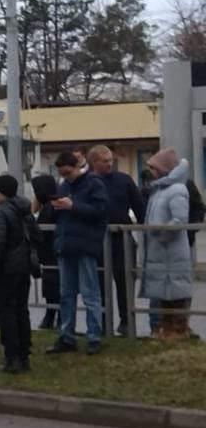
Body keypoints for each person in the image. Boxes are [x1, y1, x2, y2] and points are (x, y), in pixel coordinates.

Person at [50, 151, 109, 355]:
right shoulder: (64, 185)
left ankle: (94, 336)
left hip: (85, 246)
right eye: (62, 173)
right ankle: (67, 336)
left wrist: (73, 206)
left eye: (67, 172)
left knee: (90, 293)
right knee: (66, 294)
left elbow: (100, 212)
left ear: (76, 167)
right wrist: (56, 207)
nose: (65, 176)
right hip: (66, 244)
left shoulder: (93, 183)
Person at [0, 175, 36, 374]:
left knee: (6, 312)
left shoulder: (2, 212)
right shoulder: (24, 209)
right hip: (24, 267)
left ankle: (11, 357)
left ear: (1, 192)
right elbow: (35, 235)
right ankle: (24, 356)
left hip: (6, 269)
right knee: (22, 311)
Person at [89, 144, 145, 335]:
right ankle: (103, 323)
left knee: (125, 281)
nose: (109, 164)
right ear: (94, 162)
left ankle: (126, 322)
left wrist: (146, 229)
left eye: (111, 160)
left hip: (122, 238)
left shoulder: (123, 180)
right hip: (96, 239)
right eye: (105, 161)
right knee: (99, 284)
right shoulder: (86, 182)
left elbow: (139, 207)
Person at [141, 148, 193, 341]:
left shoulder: (177, 190)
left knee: (176, 294)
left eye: (153, 167)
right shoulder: (159, 190)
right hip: (159, 253)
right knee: (163, 295)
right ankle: (166, 329)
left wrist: (159, 233)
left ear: (163, 169)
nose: (150, 171)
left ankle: (178, 331)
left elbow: (179, 220)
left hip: (171, 252)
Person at [30, 174, 64, 330]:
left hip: (52, 255)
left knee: (54, 290)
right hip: (51, 255)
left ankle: (54, 318)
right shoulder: (50, 206)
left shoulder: (50, 208)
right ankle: (53, 318)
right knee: (53, 289)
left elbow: (41, 233)